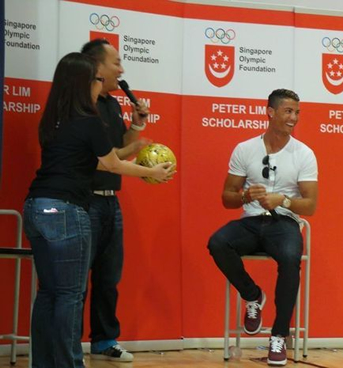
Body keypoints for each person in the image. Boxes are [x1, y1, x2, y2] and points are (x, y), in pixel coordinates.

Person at [23, 52, 175, 368]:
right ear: (84, 83)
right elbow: (111, 163)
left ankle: (44, 363)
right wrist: (154, 173)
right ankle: (70, 364)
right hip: (65, 211)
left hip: (38, 209)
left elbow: (95, 160)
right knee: (69, 296)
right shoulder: (88, 120)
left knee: (48, 294)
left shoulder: (53, 118)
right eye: (97, 79)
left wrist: (132, 135)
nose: (100, 84)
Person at [208, 89, 318, 366]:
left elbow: (310, 205)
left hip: (284, 222)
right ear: (270, 112)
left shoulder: (304, 154)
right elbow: (227, 198)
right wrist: (247, 196)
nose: (294, 118)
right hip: (251, 221)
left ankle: (279, 335)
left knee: (292, 258)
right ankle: (252, 295)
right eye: (288, 111)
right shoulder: (245, 149)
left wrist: (284, 200)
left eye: (297, 112)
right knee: (218, 242)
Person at [80, 38, 150, 362]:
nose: (122, 70)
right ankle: (68, 343)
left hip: (111, 201)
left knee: (109, 278)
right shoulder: (81, 103)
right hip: (84, 201)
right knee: (77, 279)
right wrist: (132, 154)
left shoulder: (111, 103)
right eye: (116, 63)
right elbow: (104, 157)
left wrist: (136, 124)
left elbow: (121, 144)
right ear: (97, 67)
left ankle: (104, 340)